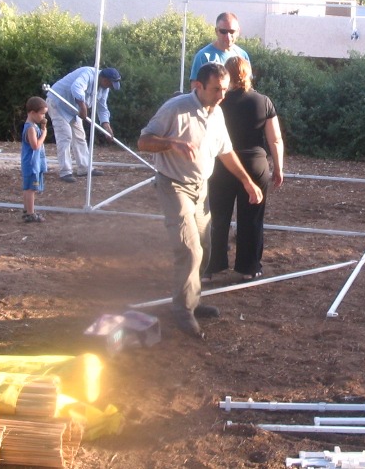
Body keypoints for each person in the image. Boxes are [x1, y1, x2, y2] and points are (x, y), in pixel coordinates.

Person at [138, 62, 263, 340]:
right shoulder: (175, 108)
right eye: (216, 89)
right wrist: (172, 143)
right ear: (199, 86)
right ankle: (182, 311)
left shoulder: (216, 112)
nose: (222, 95)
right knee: (189, 249)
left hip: (201, 188)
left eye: (225, 89)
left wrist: (247, 181)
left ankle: (192, 301)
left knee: (205, 247)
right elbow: (144, 141)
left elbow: (226, 152)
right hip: (174, 185)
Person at [204, 56, 284, 281]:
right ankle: (249, 268)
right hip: (255, 164)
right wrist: (278, 168)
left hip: (222, 163)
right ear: (249, 74)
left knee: (218, 216)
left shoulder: (217, 101)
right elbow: (275, 139)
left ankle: (211, 267)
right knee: (252, 218)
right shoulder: (263, 101)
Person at [46, 66, 121, 183]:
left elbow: (102, 107)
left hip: (73, 109)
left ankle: (85, 168)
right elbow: (76, 87)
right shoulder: (88, 74)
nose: (110, 87)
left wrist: (106, 126)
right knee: (65, 136)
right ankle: (65, 172)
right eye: (110, 84)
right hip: (58, 103)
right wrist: (82, 106)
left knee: (80, 137)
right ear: (105, 79)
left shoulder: (104, 88)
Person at [189, 12, 250, 84]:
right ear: (216, 31)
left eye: (231, 31)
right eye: (223, 31)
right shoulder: (203, 56)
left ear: (238, 31)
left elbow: (247, 85)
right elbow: (196, 87)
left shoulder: (242, 56)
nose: (228, 36)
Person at [21, 96, 49, 223]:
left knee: (27, 188)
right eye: (42, 114)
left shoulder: (32, 126)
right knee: (31, 189)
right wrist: (44, 134)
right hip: (32, 163)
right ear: (32, 113)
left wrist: (42, 129)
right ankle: (31, 214)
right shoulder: (31, 128)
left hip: (31, 163)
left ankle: (27, 210)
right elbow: (35, 145)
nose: (43, 117)